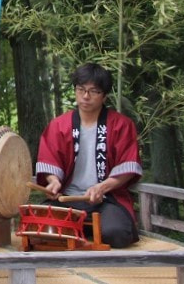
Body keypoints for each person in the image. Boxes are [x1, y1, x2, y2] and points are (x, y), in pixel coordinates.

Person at [35, 63, 142, 248]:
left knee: (118, 234)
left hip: (106, 199)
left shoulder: (121, 125)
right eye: (81, 89)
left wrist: (103, 187)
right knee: (37, 227)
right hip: (67, 198)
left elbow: (128, 166)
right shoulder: (59, 125)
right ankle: (82, 227)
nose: (86, 96)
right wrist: (53, 182)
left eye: (94, 91)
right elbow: (49, 158)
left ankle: (77, 228)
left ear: (104, 95)